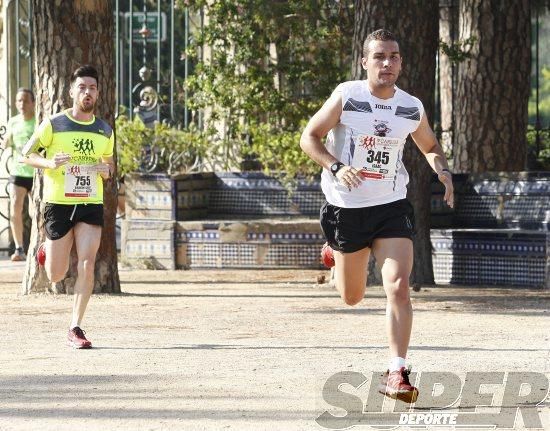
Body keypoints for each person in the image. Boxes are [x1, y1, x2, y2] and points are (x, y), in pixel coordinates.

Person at [300, 29, 454, 403]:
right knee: (352, 297)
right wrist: (336, 168)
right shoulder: (347, 96)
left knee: (398, 286)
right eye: (380, 56)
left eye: (394, 57)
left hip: (390, 206)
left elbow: (430, 145)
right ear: (365, 62)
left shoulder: (410, 106)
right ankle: (335, 253)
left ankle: (397, 370)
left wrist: (443, 171)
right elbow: (309, 137)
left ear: (400, 62)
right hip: (346, 209)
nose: (388, 63)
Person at [21, 65, 114, 349]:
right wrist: (49, 163)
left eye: (93, 88)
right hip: (59, 203)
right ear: (71, 91)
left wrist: (105, 170)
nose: (88, 92)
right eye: (82, 87)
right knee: (56, 274)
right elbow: (27, 154)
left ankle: (76, 327)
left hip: (89, 202)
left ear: (98, 93)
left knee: (87, 263)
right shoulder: (53, 123)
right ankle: (46, 252)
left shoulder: (105, 129)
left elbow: (109, 166)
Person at [1, 88, 36, 261]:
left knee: (35, 211)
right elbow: (7, 142)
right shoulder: (13, 122)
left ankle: (37, 246)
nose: (21, 104)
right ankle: (19, 248)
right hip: (18, 172)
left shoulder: (39, 121)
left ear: (33, 103)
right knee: (15, 206)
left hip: (36, 174)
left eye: (25, 101)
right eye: (18, 101)